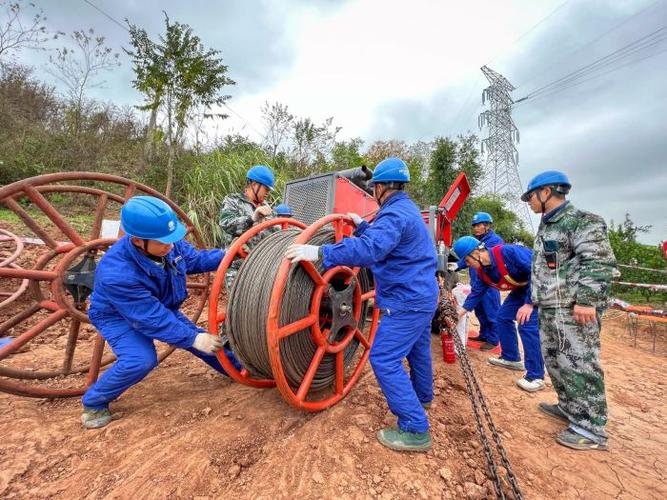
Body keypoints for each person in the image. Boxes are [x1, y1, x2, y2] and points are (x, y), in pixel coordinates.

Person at [285, 157, 438, 453]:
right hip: (422, 295)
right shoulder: (404, 211)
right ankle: (423, 397)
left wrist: (320, 251)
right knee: (418, 349)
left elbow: (371, 251)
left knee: (383, 358)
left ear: (380, 187)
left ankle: (416, 428)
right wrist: (362, 226)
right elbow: (387, 246)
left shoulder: (394, 216)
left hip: (405, 300)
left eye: (374, 187)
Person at [81, 196, 240, 429]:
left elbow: (196, 259)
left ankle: (238, 370)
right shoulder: (117, 273)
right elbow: (150, 318)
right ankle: (94, 402)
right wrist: (193, 337)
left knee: (205, 342)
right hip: (116, 314)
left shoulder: (168, 245)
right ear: (137, 240)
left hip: (158, 305)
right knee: (141, 359)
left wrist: (230, 254)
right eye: (163, 242)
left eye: (172, 239)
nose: (171, 245)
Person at [523, 170, 616, 451]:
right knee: (557, 362)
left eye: (531, 196)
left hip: (573, 309)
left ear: (547, 192)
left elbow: (598, 263)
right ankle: (570, 408)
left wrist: (587, 300)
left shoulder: (581, 221)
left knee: (580, 363)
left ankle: (591, 429)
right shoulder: (547, 226)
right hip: (552, 307)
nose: (529, 202)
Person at [453, 236, 545, 392]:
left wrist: (530, 303)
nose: (468, 265)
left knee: (526, 322)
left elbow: (538, 271)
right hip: (522, 289)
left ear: (476, 252)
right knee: (502, 316)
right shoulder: (484, 272)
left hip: (541, 285)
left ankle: (536, 376)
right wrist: (458, 315)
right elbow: (475, 294)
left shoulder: (508, 252)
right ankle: (511, 357)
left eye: (468, 261)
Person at [218, 164, 275, 288]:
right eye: (266, 189)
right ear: (255, 184)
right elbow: (226, 223)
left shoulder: (267, 208)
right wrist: (251, 219)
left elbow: (276, 231)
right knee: (239, 303)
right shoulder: (233, 201)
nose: (268, 193)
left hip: (260, 268)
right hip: (237, 267)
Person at [456, 212, 504, 350]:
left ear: (487, 226)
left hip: (489, 284)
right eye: (474, 226)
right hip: (477, 282)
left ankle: (494, 339)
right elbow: (469, 257)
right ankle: (484, 334)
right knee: (480, 311)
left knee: (491, 311)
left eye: (479, 225)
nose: (476, 228)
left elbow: (483, 258)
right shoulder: (477, 242)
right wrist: (457, 266)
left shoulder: (494, 241)